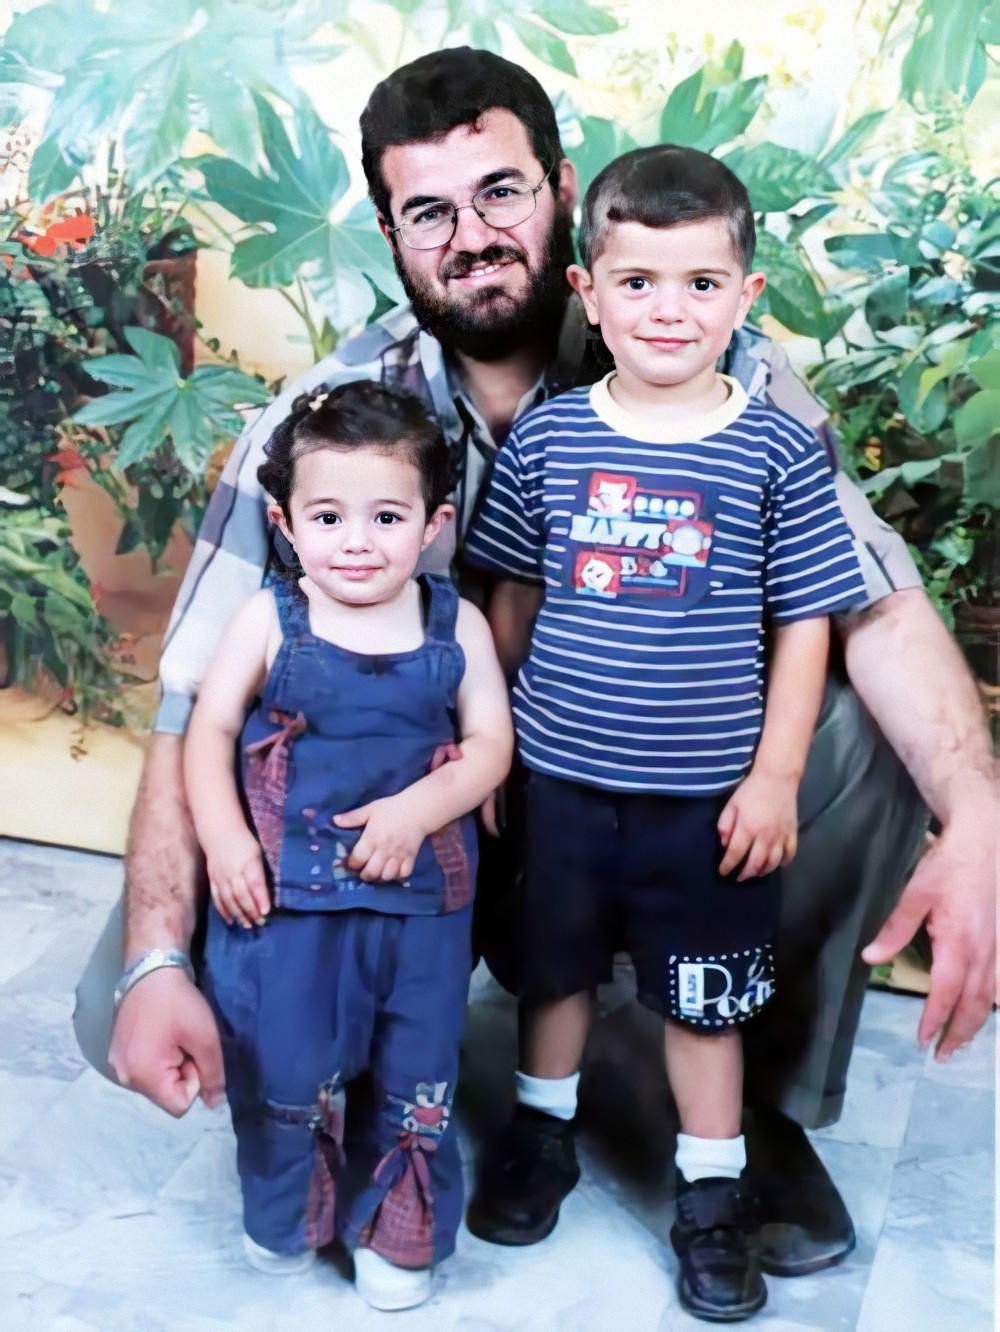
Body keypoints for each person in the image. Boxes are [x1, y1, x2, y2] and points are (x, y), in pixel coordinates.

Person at [77, 45, 996, 1286]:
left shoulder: (708, 356)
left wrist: (979, 813)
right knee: (129, 995)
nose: (472, 236)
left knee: (854, 721)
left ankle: (722, 1087)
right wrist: (156, 956)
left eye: (500, 192)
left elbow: (870, 592)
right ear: (390, 234)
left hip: (660, 779)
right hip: (415, 796)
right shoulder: (327, 420)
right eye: (429, 212)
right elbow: (193, 693)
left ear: (561, 188)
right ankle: (392, 1056)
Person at [462, 143, 872, 1320]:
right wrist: (490, 746)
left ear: (746, 297)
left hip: (705, 802)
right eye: (636, 281)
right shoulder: (551, 440)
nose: (667, 309)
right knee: (554, 976)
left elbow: (804, 621)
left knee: (704, 1001)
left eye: (700, 283)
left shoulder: (776, 448)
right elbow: (511, 599)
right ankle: (540, 1136)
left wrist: (776, 775)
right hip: (559, 781)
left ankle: (710, 1191)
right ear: (587, 293)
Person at [181, 380, 513, 1309]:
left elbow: (492, 744)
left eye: (387, 517)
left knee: (415, 1066)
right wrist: (225, 841)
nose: (357, 542)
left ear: (434, 525)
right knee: (284, 1061)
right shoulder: (270, 619)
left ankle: (395, 1234)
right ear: (285, 525)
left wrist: (418, 810)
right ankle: (288, 1216)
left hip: (419, 911)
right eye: (328, 517)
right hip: (288, 906)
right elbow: (210, 731)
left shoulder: (455, 624)